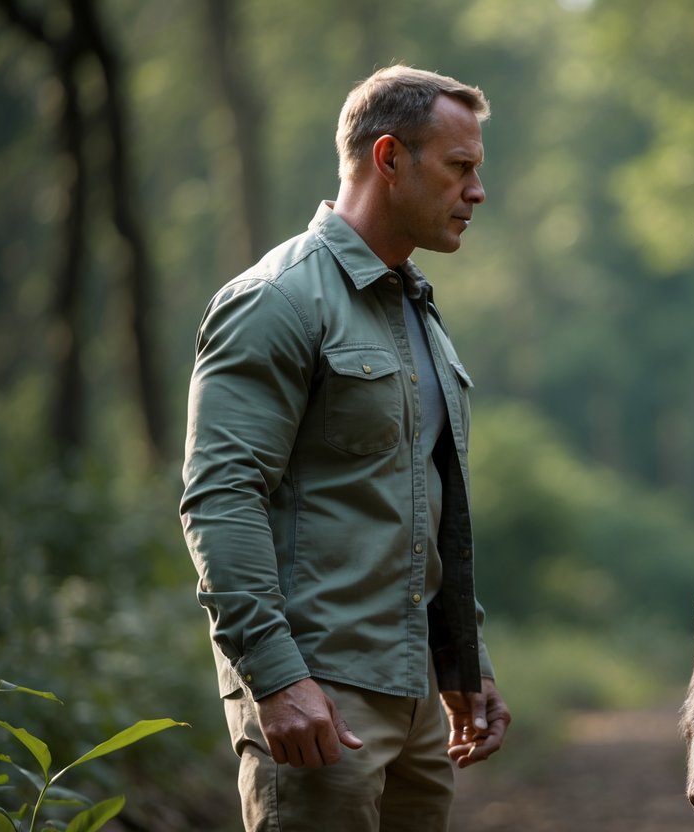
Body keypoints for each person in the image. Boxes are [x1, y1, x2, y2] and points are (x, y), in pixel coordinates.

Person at [179, 64, 510, 831]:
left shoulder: (418, 311)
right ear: (389, 158)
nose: (477, 192)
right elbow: (220, 498)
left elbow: (422, 505)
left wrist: (464, 660)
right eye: (460, 168)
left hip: (418, 695)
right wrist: (275, 679)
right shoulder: (277, 300)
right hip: (317, 696)